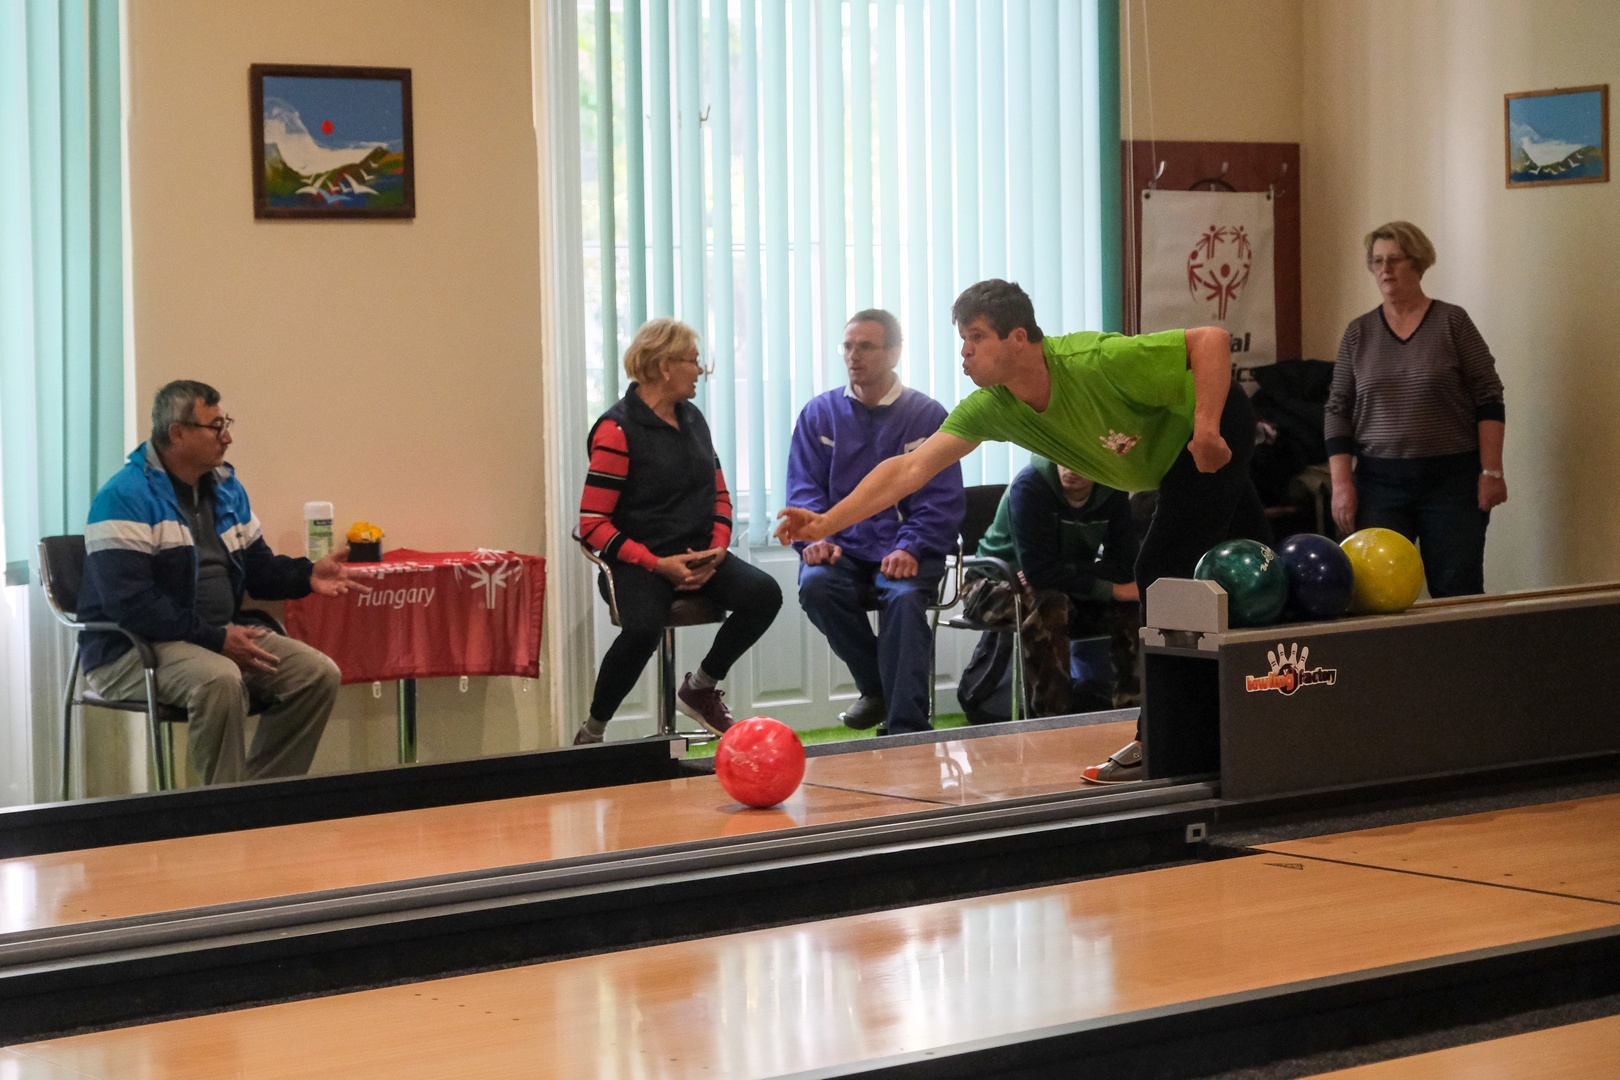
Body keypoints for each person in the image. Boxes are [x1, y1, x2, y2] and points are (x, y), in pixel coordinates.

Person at [775, 279, 1269, 784]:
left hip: (1208, 430)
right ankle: (1259, 714)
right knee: (1263, 574)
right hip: (1171, 459)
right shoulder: (993, 405)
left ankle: (1162, 741)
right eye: (962, 340)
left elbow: (1209, 340)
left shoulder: (1089, 361)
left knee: (1159, 569)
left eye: (975, 337)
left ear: (1017, 338)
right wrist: (825, 523)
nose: (964, 352)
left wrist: (1207, 427)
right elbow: (908, 469)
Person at [77, 380, 369, 785]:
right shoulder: (124, 497)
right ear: (178, 433)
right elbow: (131, 604)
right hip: (130, 648)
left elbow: (259, 570)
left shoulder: (226, 488)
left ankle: (260, 800)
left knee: (316, 674)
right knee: (219, 678)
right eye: (216, 427)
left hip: (214, 635)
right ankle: (217, 811)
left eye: (225, 424)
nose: (227, 438)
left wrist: (307, 574)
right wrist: (216, 638)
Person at [576, 319, 783, 744]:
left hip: (699, 554)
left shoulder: (693, 419)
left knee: (765, 595)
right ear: (665, 367)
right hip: (639, 562)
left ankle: (700, 688)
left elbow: (719, 495)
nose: (700, 370)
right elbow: (592, 524)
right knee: (643, 630)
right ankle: (592, 732)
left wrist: (718, 549)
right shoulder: (616, 430)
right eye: (693, 361)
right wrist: (657, 564)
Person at [786, 310, 965, 735]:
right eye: (848, 346)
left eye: (865, 346)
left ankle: (907, 731)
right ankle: (878, 687)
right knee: (815, 586)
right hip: (843, 548)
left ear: (894, 353)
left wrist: (911, 545)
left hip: (906, 547)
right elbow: (804, 489)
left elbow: (941, 498)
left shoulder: (927, 415)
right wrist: (815, 540)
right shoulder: (819, 414)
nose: (853, 355)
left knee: (903, 599)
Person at [1326, 221, 1507, 595]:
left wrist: (1492, 471)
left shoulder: (1452, 322)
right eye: (1377, 261)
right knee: (1375, 591)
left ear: (1418, 262)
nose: (1385, 270)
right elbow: (1337, 409)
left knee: (1457, 588)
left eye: (1395, 260)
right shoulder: (1359, 333)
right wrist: (1341, 485)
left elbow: (1489, 396)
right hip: (1379, 486)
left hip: (1452, 485)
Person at [972, 459, 1140, 716]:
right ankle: (1052, 720)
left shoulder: (1113, 489)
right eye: (1063, 459)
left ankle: (1134, 715)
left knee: (1131, 606)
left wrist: (1062, 570)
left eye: (1080, 461)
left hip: (1061, 588)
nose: (1070, 469)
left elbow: (1124, 566)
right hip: (989, 584)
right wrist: (1109, 588)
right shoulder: (1030, 485)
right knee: (1051, 605)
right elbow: (1040, 574)